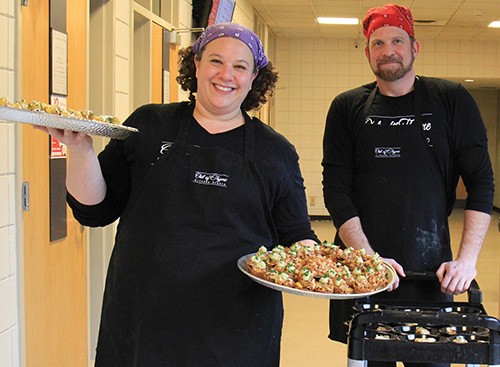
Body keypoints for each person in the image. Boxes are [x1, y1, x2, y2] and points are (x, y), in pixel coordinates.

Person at [37, 22, 318, 366]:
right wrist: (79, 150)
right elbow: (94, 211)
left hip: (237, 327)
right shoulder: (150, 124)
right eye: (216, 61)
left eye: (240, 66)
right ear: (197, 64)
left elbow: (298, 236)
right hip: (145, 318)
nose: (226, 74)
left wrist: (357, 266)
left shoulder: (276, 152)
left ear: (254, 77)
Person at [322, 4, 494, 367]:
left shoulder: (450, 100)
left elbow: (480, 181)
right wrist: (366, 258)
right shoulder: (346, 107)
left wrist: (466, 261)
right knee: (370, 358)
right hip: (364, 271)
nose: (388, 50)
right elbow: (336, 188)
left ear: (414, 47)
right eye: (378, 42)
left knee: (431, 359)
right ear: (368, 52)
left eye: (397, 40)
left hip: (431, 271)